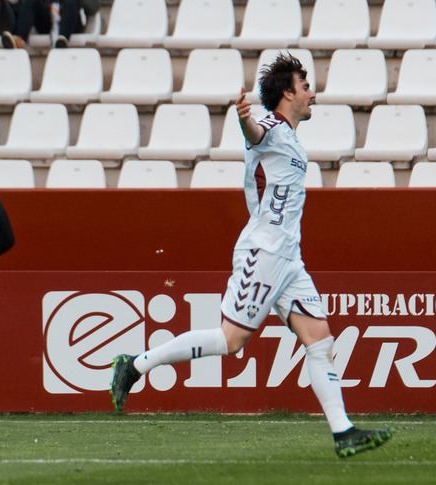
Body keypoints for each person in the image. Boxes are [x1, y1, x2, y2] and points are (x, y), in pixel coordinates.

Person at [110, 53, 393, 459]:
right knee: (231, 341)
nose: (312, 93)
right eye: (305, 85)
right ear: (287, 93)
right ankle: (135, 364)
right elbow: (254, 131)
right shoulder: (271, 128)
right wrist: (244, 116)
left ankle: (343, 432)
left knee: (319, 341)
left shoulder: (292, 136)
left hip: (288, 257)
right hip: (263, 251)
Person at [0, 0, 84, 48]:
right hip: (48, 20)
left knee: (71, 2)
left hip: (69, 23)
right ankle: (19, 40)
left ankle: (61, 41)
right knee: (30, 1)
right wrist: (50, 7)